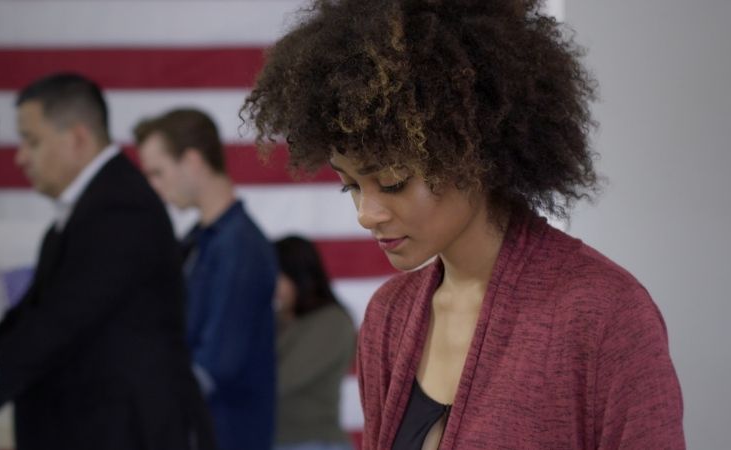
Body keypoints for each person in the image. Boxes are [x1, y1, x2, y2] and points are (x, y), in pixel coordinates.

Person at [241, 1, 685, 448]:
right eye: (350, 185)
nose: (365, 212)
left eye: (392, 182)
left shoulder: (603, 314)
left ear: (470, 153)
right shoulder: (388, 317)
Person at [0, 73, 216, 450]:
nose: (20, 157)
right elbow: (29, 319)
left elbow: (58, 324)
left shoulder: (121, 208)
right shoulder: (83, 215)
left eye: (32, 141)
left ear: (77, 138)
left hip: (132, 434)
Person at [133, 108, 278, 450]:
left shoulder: (239, 246)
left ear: (193, 161)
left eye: (158, 172)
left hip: (222, 435)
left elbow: (216, 365)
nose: (154, 187)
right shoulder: (198, 242)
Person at [272, 236, 357, 450]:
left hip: (314, 442)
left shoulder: (332, 322)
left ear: (299, 275)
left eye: (277, 274)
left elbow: (281, 379)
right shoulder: (274, 320)